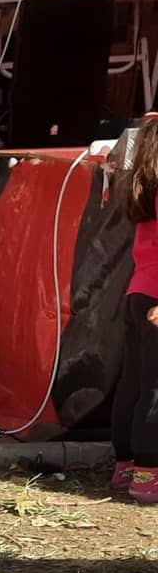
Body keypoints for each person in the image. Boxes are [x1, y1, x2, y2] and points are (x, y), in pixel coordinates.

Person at [111, 115, 158, 505]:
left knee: (132, 384)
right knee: (153, 388)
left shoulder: (142, 185)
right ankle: (147, 474)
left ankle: (125, 465)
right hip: (156, 298)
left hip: (138, 292)